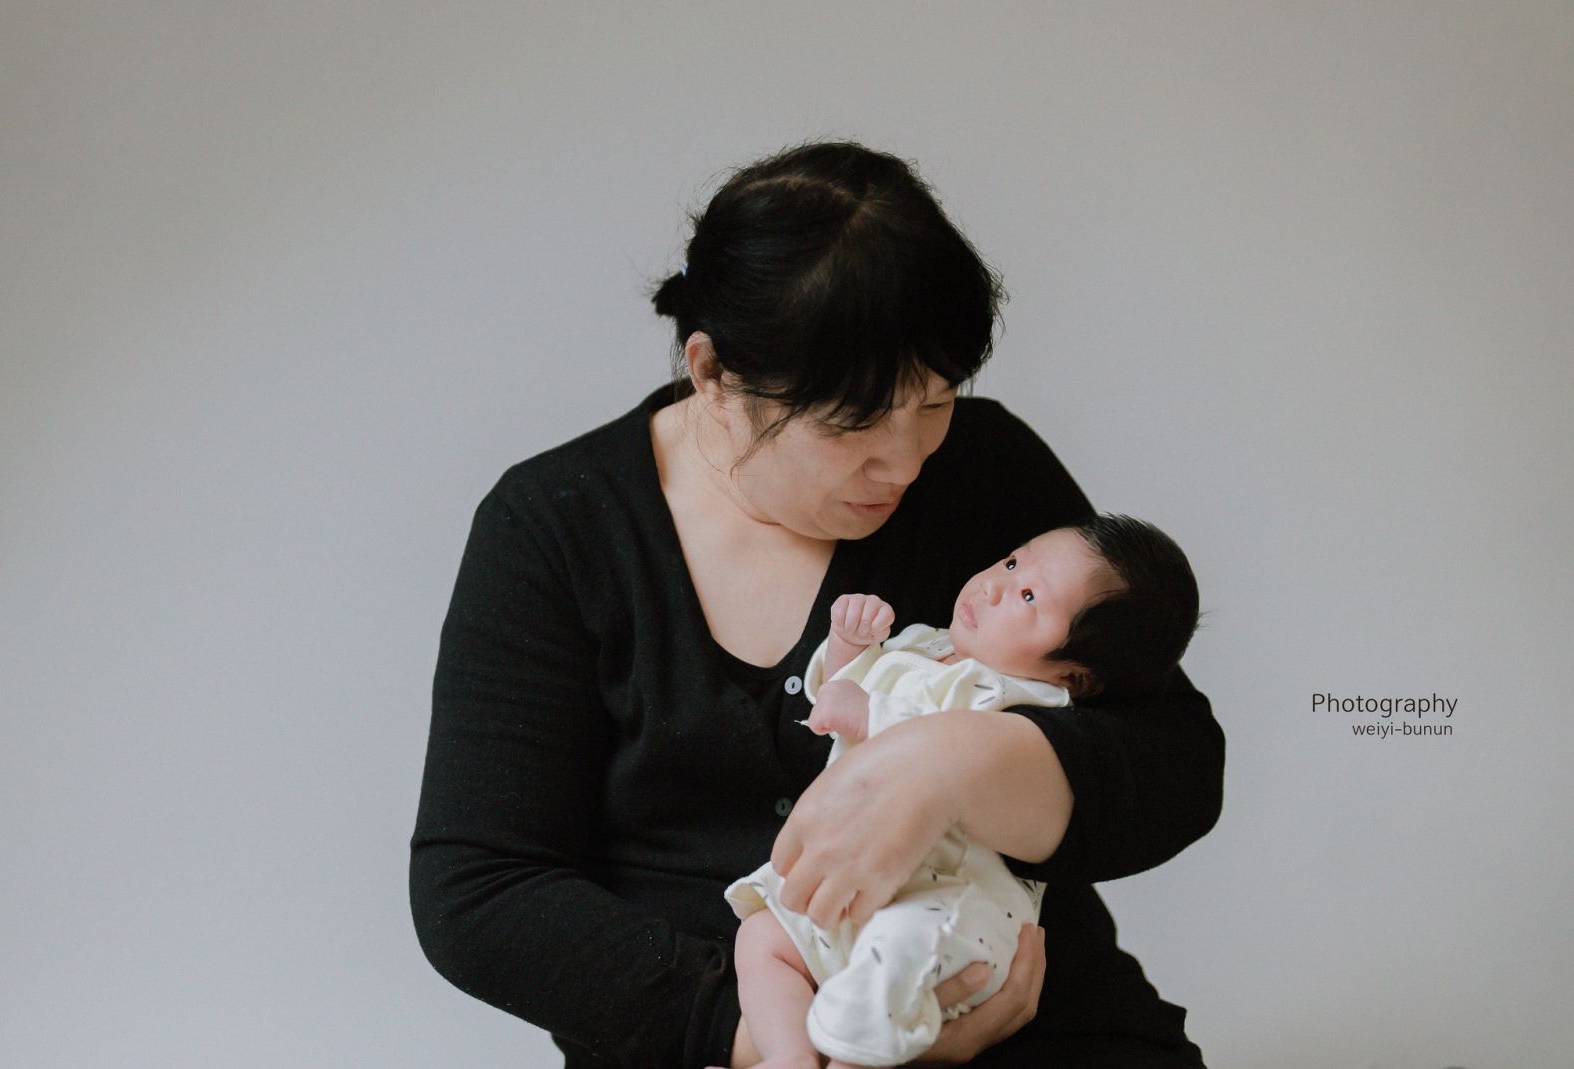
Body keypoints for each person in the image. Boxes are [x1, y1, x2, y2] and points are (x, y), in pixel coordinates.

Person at [409, 140, 1225, 1068]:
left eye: (935, 401)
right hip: (720, 1044)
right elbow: (479, 887)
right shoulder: (555, 526)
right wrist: (777, 1036)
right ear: (713, 372)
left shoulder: (984, 468)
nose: (906, 461)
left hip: (1023, 1015)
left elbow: (1179, 758)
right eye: (852, 422)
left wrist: (956, 761)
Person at [724, 516, 1202, 1069]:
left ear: (1073, 676)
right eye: (1012, 561)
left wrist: (870, 712)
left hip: (948, 910)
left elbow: (933, 742)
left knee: (894, 967)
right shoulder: (924, 645)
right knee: (763, 938)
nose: (994, 585)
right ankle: (787, 1056)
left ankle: (851, 1056)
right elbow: (843, 691)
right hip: (853, 890)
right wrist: (848, 646)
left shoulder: (1024, 698)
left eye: (1028, 596)